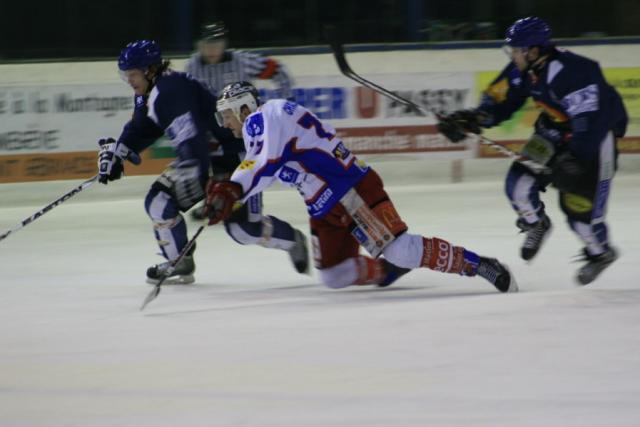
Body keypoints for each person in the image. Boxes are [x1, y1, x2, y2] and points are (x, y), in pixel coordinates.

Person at [203, 81, 518, 293]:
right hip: (323, 205)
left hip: (348, 189)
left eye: (226, 115)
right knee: (332, 276)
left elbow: (262, 164)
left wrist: (229, 190)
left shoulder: (261, 117)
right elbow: (264, 170)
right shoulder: (267, 121)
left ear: (243, 107)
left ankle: (478, 264)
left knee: (402, 249)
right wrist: (231, 193)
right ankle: (386, 271)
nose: (225, 123)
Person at [97, 40, 309, 285]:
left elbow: (191, 138)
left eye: (132, 74)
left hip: (234, 158)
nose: (129, 81)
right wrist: (119, 151)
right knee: (159, 201)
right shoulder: (150, 91)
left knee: (243, 230)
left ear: (150, 70)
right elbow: (142, 125)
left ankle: (293, 239)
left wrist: (196, 174)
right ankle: (179, 261)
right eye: (126, 76)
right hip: (203, 158)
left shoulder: (168, 92)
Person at [437, 17, 628, 285]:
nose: (512, 55)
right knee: (518, 187)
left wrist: (575, 160)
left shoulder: (573, 72)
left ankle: (600, 253)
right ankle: (536, 223)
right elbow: (502, 99)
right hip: (552, 131)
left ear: (534, 50)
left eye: (516, 50)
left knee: (580, 215)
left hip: (595, 141)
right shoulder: (524, 69)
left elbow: (592, 121)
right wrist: (474, 118)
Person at [185, 21, 294, 220]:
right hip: (215, 129)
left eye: (216, 44)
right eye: (207, 44)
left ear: (224, 44)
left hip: (243, 129)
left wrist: (286, 104)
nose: (211, 50)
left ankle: (251, 207)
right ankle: (212, 202)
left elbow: (278, 71)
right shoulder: (192, 66)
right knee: (208, 163)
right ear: (199, 45)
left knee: (250, 166)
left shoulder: (240, 61)